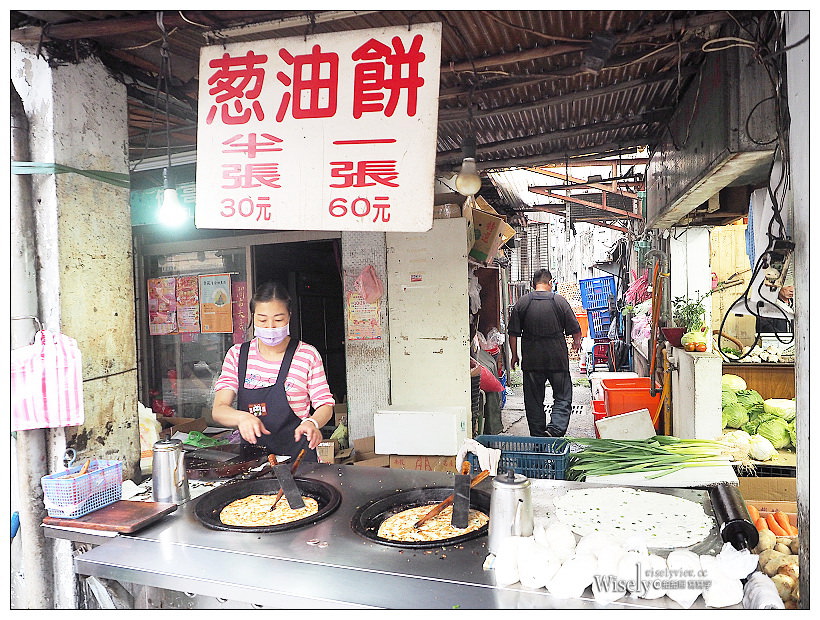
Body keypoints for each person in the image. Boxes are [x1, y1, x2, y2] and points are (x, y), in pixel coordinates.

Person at [212, 281, 335, 461]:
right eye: (262, 320)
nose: (270, 327)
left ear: (289, 316)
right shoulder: (237, 355)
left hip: (299, 459)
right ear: (253, 317)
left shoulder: (307, 355)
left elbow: (325, 404)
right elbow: (219, 409)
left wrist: (312, 422)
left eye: (278, 320)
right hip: (253, 463)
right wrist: (241, 418)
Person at [508, 269, 581, 437]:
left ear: (533, 284)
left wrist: (514, 355)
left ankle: (538, 436)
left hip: (532, 361)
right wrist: (576, 343)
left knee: (533, 401)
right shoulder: (559, 301)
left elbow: (513, 333)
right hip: (557, 360)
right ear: (550, 282)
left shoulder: (523, 302)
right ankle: (554, 430)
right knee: (563, 396)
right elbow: (575, 329)